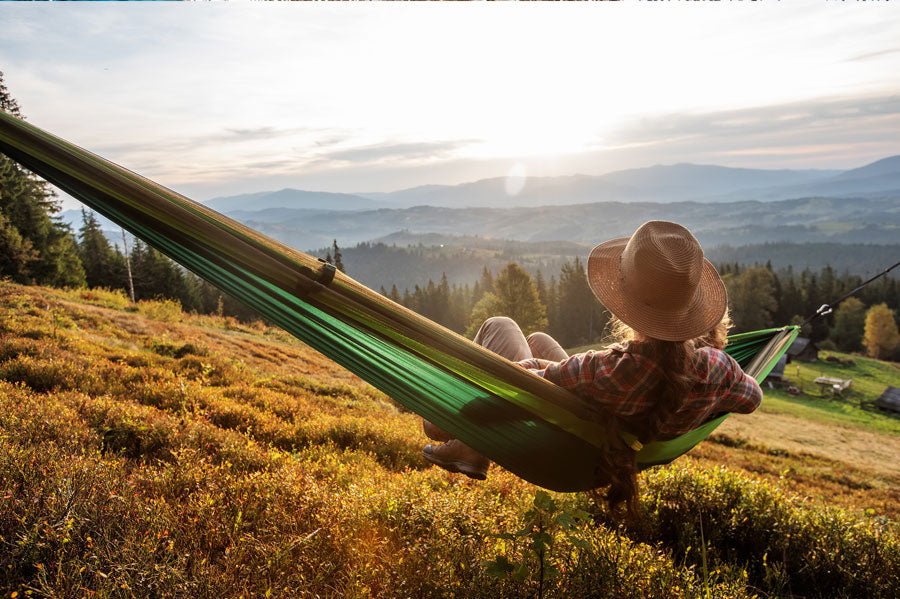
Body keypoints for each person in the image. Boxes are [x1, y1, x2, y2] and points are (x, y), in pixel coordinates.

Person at [421, 220, 763, 516]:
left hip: (562, 446)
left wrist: (451, 409)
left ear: (625, 302)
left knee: (499, 325)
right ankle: (472, 448)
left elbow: (515, 395)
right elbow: (752, 399)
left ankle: (471, 448)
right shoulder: (720, 370)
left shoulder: (602, 370)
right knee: (538, 338)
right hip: (606, 444)